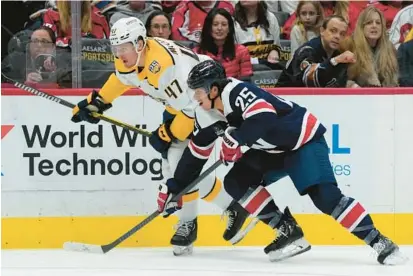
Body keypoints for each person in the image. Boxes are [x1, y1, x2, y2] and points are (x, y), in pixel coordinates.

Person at [166, 59, 407, 265]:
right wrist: (175, 188)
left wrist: (237, 139)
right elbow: (195, 155)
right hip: (273, 149)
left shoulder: (236, 92)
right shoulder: (204, 114)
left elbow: (264, 117)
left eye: (198, 91)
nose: (195, 98)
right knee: (236, 181)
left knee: (326, 198)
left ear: (214, 89)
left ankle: (380, 241)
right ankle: (287, 230)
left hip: (302, 139)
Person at [70, 17, 249, 256]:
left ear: (140, 43)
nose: (119, 54)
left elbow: (191, 109)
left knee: (179, 164)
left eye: (123, 48)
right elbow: (122, 77)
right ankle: (230, 208)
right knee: (179, 168)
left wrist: (168, 133)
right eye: (116, 48)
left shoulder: (166, 68)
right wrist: (99, 101)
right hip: (181, 106)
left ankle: (190, 224)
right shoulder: (132, 56)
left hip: (205, 105)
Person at [277, 15, 355, 87]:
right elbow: (309, 80)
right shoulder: (307, 50)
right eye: (333, 31)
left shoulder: (339, 53)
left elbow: (338, 83)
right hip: (285, 97)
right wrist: (335, 61)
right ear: (322, 31)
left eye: (342, 34)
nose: (337, 36)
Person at [344, 6, 398, 87]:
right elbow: (338, 78)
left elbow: (395, 81)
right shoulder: (349, 45)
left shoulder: (390, 48)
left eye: (378, 23)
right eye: (369, 22)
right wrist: (352, 86)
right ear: (362, 27)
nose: (374, 26)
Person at [194, 8, 253, 80]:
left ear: (229, 29)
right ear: (208, 28)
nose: (219, 28)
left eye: (224, 24)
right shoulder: (197, 53)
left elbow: (246, 82)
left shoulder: (242, 51)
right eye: (215, 24)